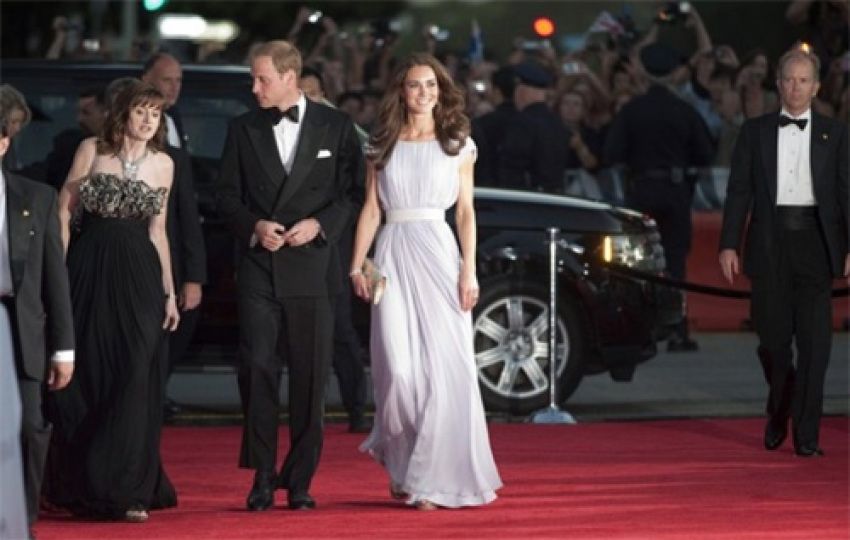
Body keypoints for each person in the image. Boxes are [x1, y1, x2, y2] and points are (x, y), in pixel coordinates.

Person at [216, 40, 364, 512]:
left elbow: (353, 194)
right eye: (253, 78)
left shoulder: (337, 127)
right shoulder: (242, 129)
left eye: (261, 78)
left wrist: (320, 226)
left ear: (288, 76)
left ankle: (299, 480)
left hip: (313, 269)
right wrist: (255, 227)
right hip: (260, 266)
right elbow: (226, 197)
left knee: (310, 377)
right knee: (257, 367)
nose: (253, 87)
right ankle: (261, 476)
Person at [349, 53, 502, 510]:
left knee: (444, 368)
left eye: (431, 86)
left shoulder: (458, 142)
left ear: (441, 90)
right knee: (396, 367)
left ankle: (430, 478)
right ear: (401, 90)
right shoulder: (382, 142)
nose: (424, 94)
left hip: (439, 252)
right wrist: (357, 265)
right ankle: (404, 459)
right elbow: (371, 210)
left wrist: (469, 269)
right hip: (393, 254)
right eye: (416, 86)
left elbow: (466, 213)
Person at [48, 81, 180, 522]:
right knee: (88, 374)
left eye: (155, 115)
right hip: (89, 268)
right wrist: (59, 274)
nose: (148, 121)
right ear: (124, 114)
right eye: (141, 112)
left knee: (134, 372)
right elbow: (65, 213)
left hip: (139, 274)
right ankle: (84, 483)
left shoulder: (164, 165)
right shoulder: (91, 150)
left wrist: (169, 292)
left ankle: (127, 486)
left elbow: (158, 233)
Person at [719, 47, 849, 457]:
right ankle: (781, 403)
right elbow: (738, 192)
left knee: (816, 346)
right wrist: (727, 243)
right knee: (773, 342)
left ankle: (807, 436)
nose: (796, 88)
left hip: (816, 243)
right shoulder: (754, 131)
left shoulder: (837, 134)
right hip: (769, 242)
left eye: (804, 80)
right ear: (778, 84)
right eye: (789, 80)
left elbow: (846, 195)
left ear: (816, 86)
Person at [604, 42, 715, 352]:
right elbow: (706, 152)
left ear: (645, 73)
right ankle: (678, 329)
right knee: (676, 261)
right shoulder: (684, 110)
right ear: (673, 73)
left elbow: (612, 153)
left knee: (641, 263)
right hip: (676, 192)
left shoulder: (632, 111)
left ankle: (643, 328)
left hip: (641, 191)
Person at [0, 115, 75, 539]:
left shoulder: (37, 196)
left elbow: (54, 278)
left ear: (3, 145)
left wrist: (63, 349)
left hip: (21, 324)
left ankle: (23, 516)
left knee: (30, 425)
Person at [298, 66, 371, 434]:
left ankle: (356, 407)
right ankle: (306, 412)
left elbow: (357, 189)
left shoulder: (343, 130)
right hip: (292, 242)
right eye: (302, 92)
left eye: (314, 92)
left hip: (335, 239)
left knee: (340, 326)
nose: (308, 99)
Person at [143, 54, 207, 419]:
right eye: (167, 80)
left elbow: (186, 211)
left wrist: (193, 277)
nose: (174, 88)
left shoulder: (176, 130)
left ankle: (155, 392)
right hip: (133, 251)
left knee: (176, 330)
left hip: (174, 248)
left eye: (179, 81)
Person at [497, 61, 569, 192]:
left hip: (529, 196)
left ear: (521, 92)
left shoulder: (522, 123)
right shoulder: (556, 122)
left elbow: (513, 166)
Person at [45, 86, 108, 191]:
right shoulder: (69, 148)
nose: (79, 119)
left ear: (106, 113)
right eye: (79, 112)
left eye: (87, 112)